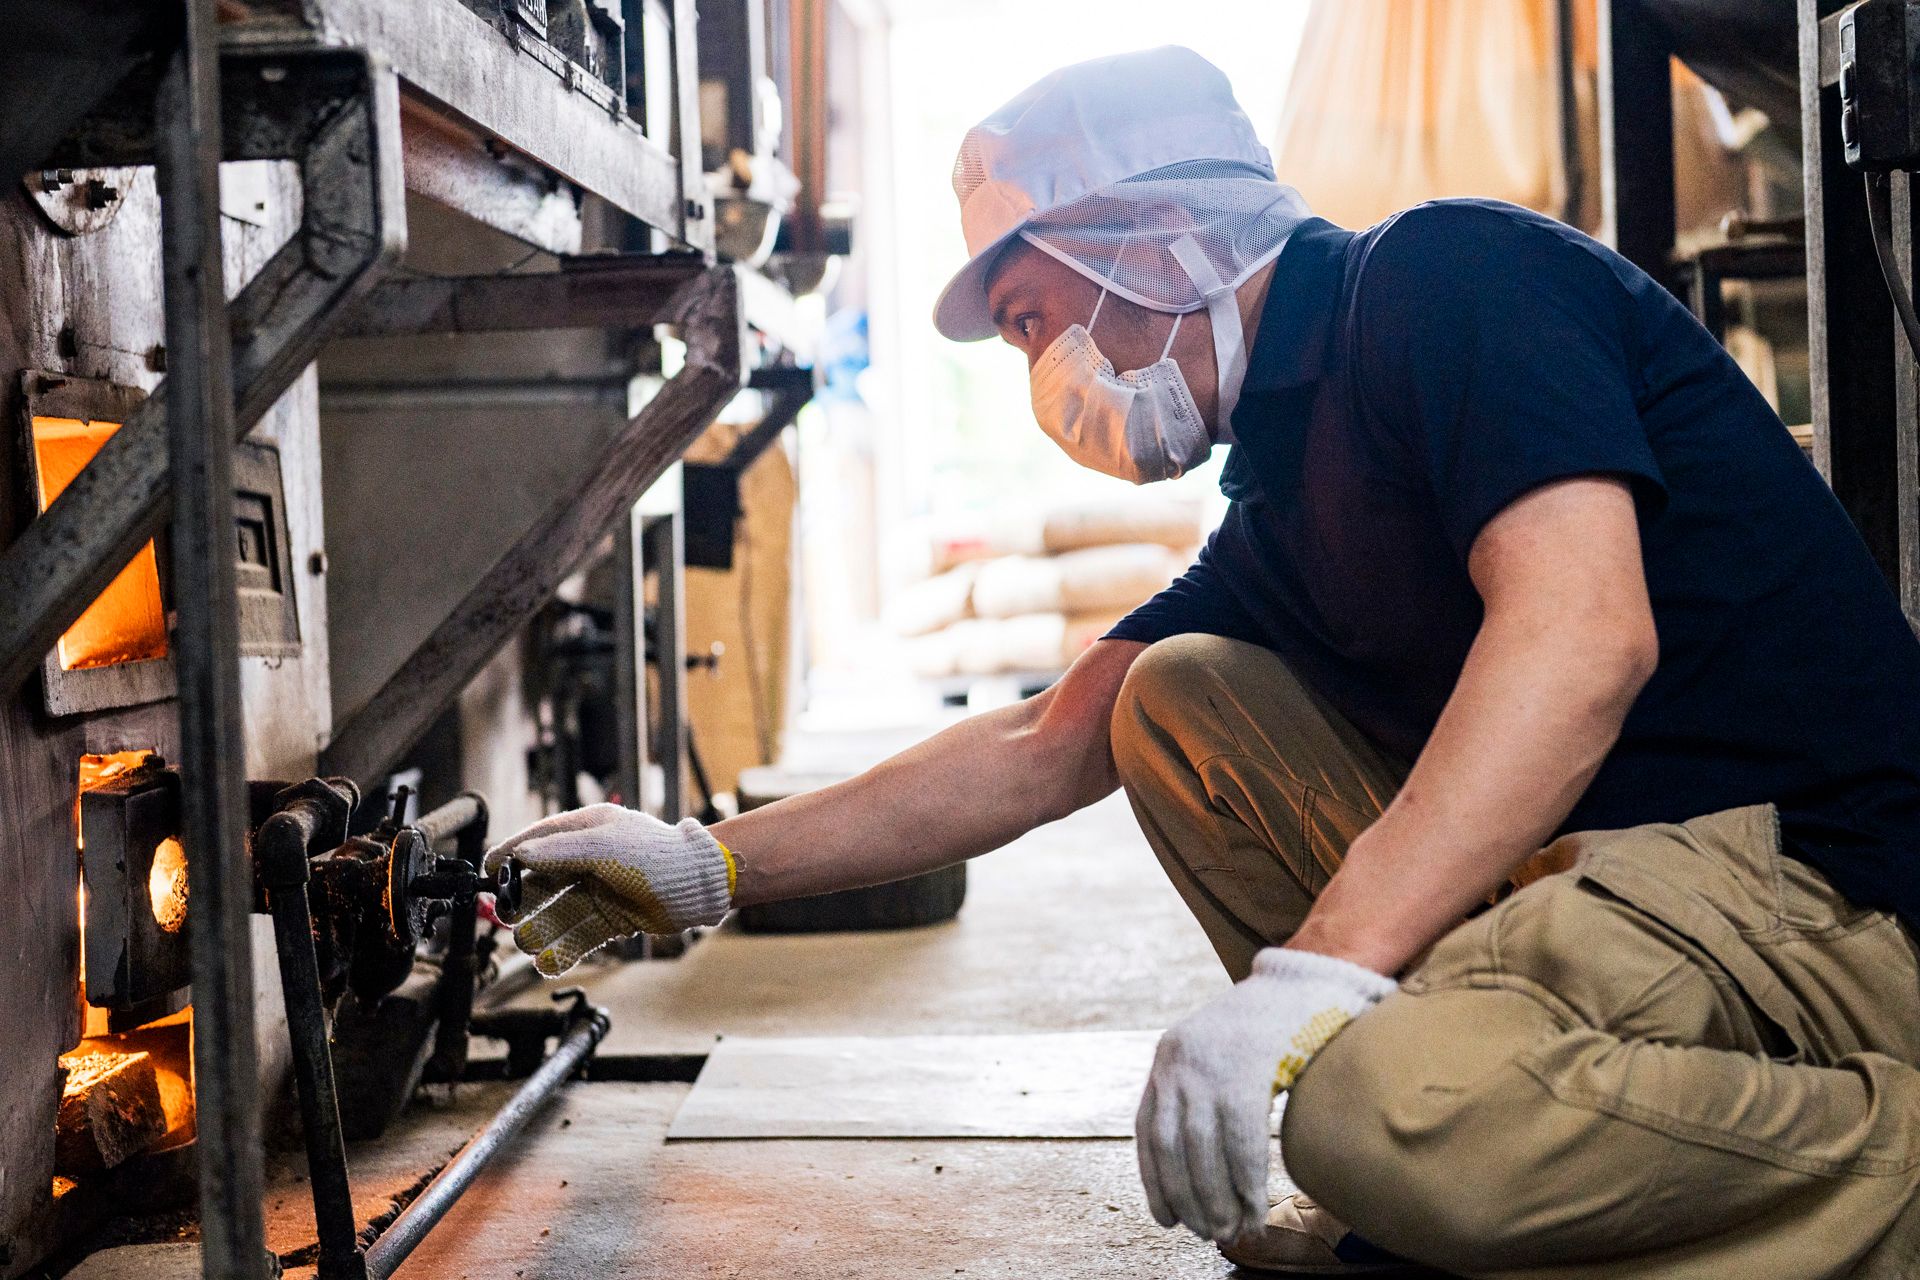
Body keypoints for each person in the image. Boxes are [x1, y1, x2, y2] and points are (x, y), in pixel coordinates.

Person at [485, 46, 1920, 1277]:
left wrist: (1319, 984)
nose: (1040, 377)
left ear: (1153, 242)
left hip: (1811, 896)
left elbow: (1585, 635)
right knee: (1176, 699)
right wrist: (702, 867)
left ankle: (1884, 1165)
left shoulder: (1448, 278)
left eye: (1037, 321)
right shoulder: (1282, 494)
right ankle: (1472, 1190)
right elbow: (1041, 743)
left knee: (1364, 1110)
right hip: (1619, 887)